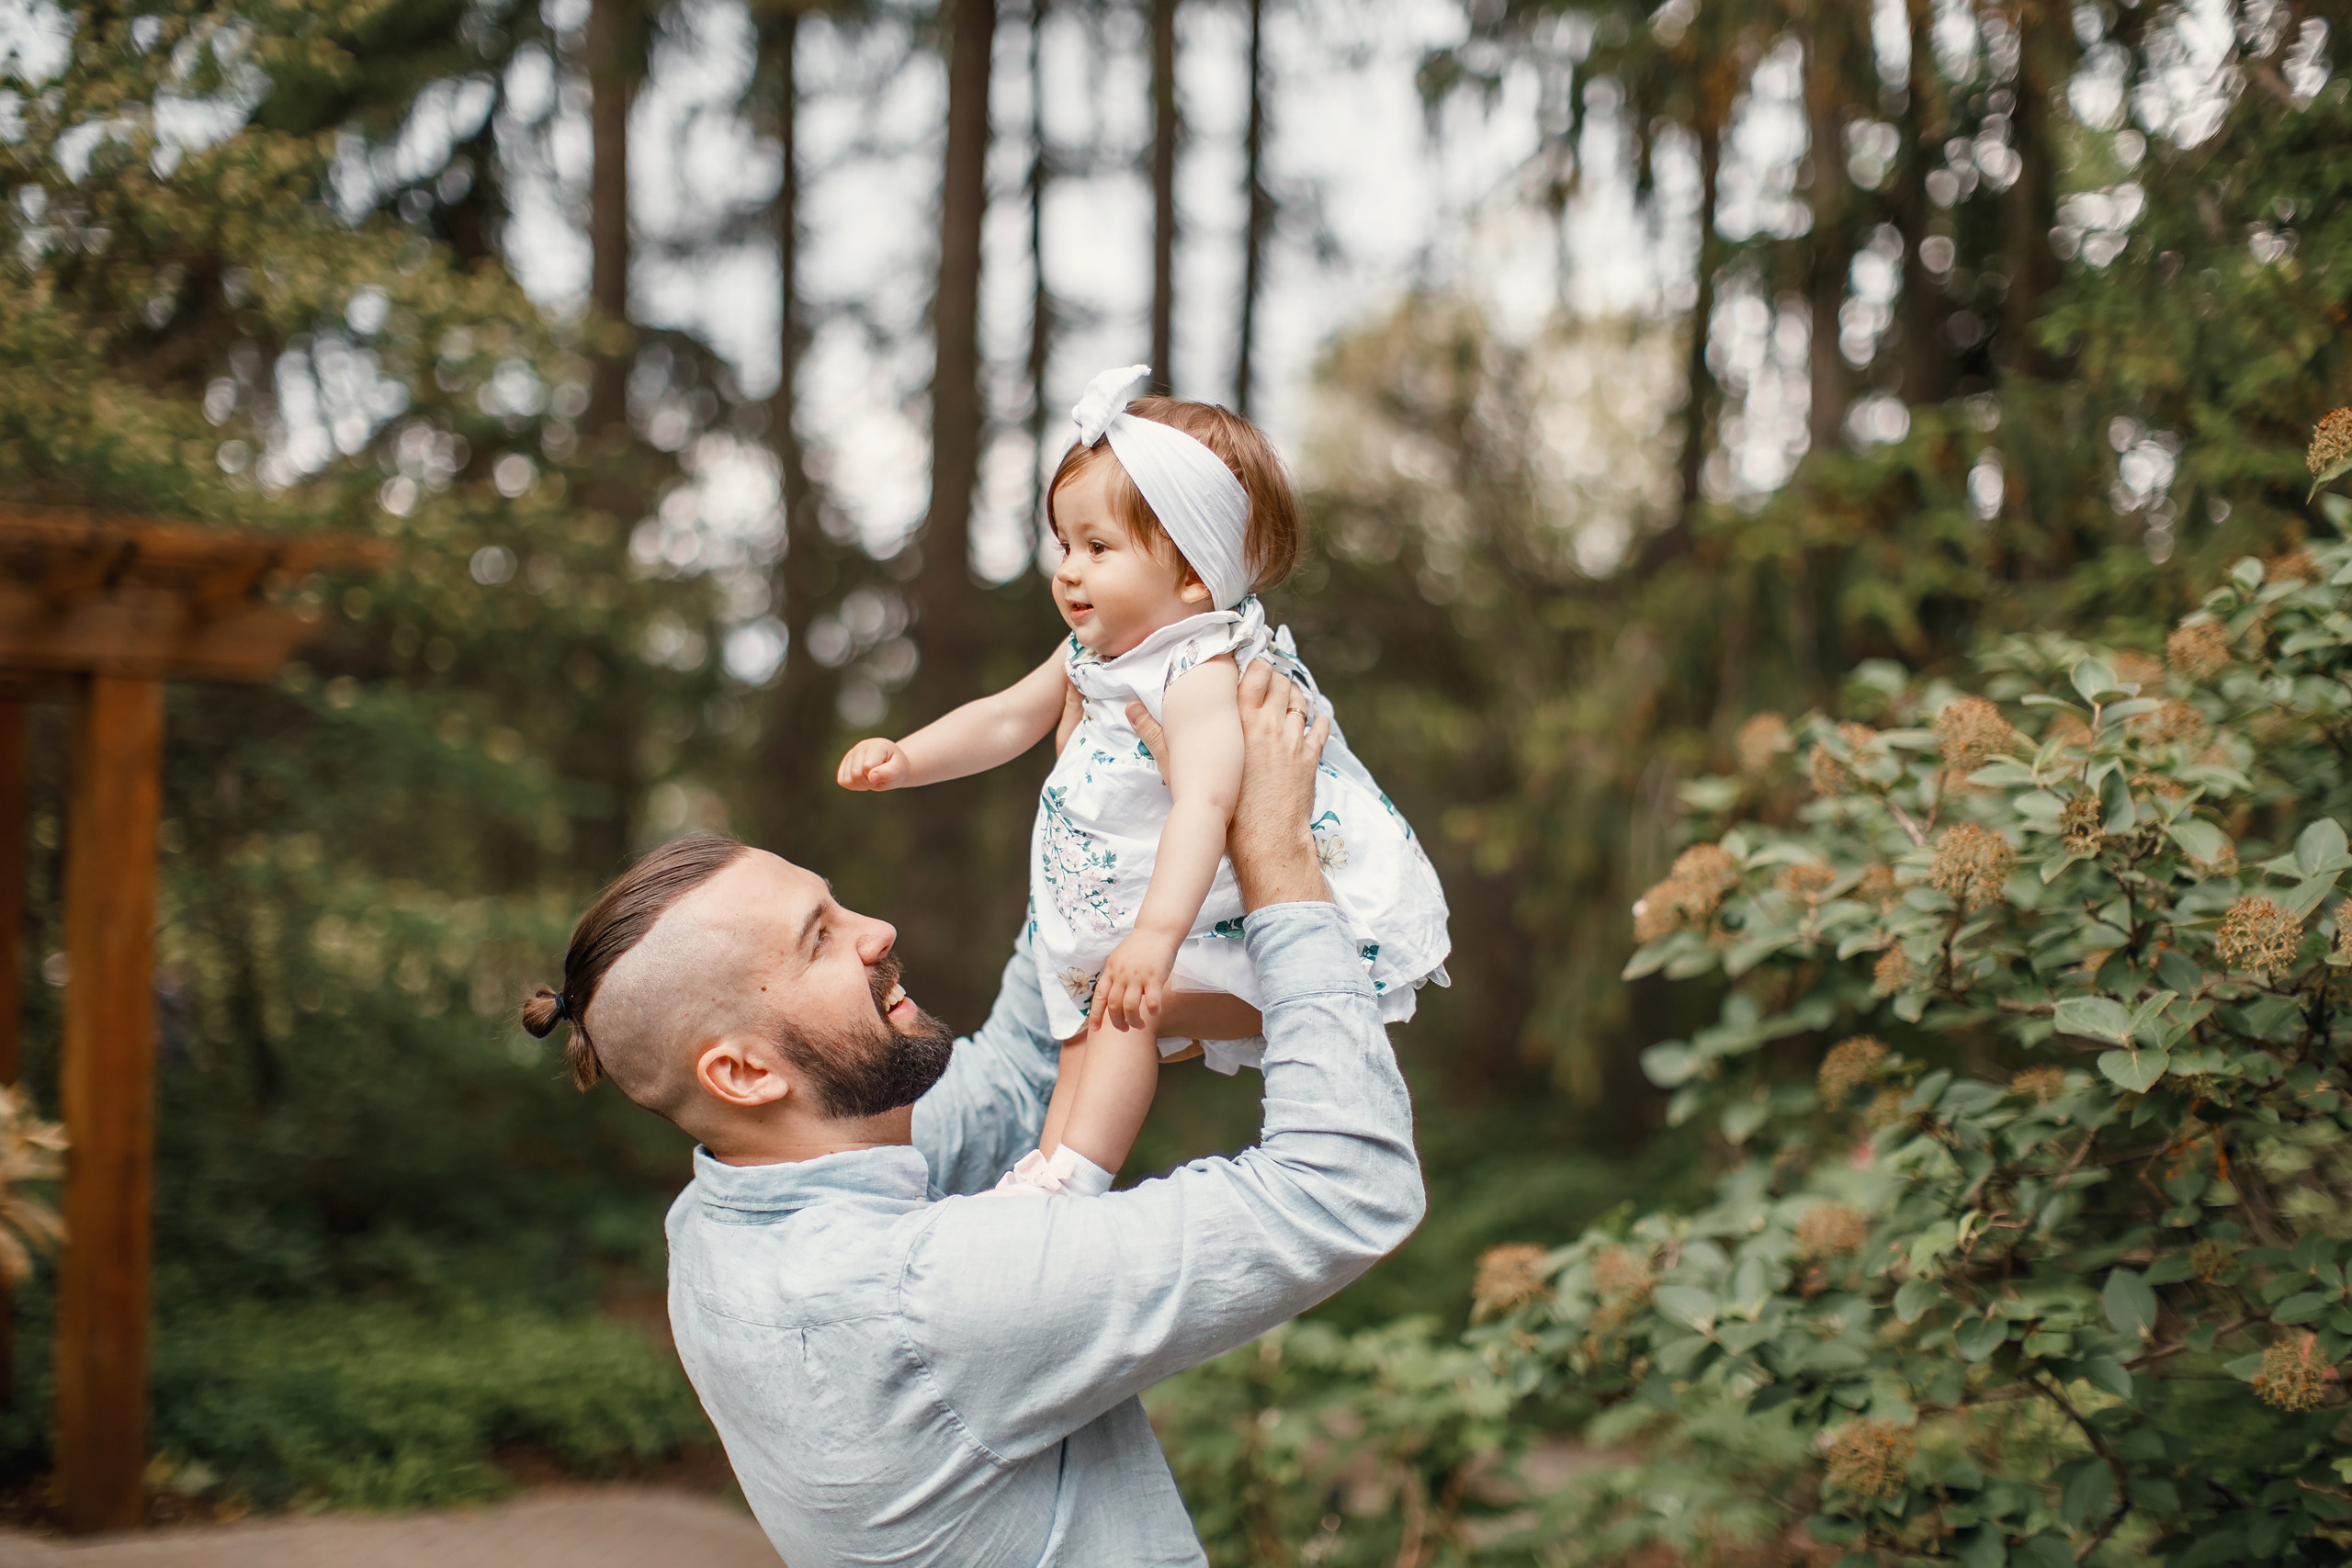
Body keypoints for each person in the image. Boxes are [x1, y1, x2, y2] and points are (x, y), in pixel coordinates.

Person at [519, 664, 1426, 1566]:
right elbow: (1343, 1188)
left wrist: (1094, 824)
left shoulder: (719, 1223)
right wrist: (1278, 855)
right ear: (744, 1072)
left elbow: (1012, 1077)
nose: (875, 930)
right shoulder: (924, 1300)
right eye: (819, 941)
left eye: (837, 905)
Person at [834, 365, 1449, 1196]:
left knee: (1120, 1011)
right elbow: (1008, 718)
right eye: (1063, 544)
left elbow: (1207, 801)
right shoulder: (1095, 653)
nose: (1069, 571)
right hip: (1143, 910)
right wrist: (906, 757)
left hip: (1210, 925)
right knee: (1083, 1035)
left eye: (1097, 547)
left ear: (1193, 574)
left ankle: (1076, 1180)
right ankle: (1043, 1178)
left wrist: (1154, 938)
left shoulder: (1198, 670)